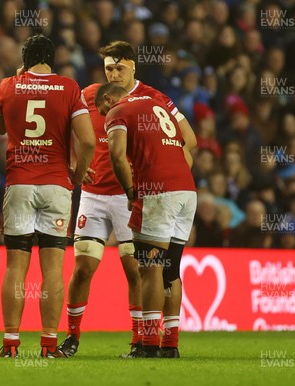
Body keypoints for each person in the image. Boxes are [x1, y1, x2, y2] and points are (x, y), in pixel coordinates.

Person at [58, 41, 196, 358]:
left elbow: (187, 140)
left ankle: (140, 340)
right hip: (94, 196)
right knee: (82, 268)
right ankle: (72, 336)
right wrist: (72, 164)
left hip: (130, 197)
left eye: (120, 67)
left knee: (138, 270)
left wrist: (159, 180)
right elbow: (64, 128)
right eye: (109, 67)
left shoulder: (153, 97)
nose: (114, 73)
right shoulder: (90, 94)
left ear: (133, 66)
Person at [0, 35, 95, 358]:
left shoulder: (9, 85)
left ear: (24, 58)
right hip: (55, 184)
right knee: (52, 268)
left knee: (15, 267)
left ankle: (10, 343)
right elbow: (88, 141)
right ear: (53, 58)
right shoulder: (68, 88)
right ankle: (49, 344)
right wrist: (77, 174)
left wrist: (18, 82)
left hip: (20, 182)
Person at [96, 83, 197, 358]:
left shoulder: (118, 110)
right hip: (187, 191)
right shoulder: (159, 105)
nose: (104, 116)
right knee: (170, 269)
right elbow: (191, 143)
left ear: (108, 99)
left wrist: (130, 190)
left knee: (150, 267)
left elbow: (116, 155)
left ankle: (150, 344)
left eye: (102, 111)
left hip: (158, 192)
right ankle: (171, 345)